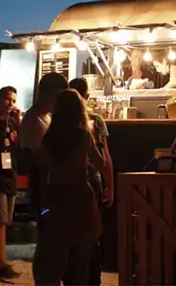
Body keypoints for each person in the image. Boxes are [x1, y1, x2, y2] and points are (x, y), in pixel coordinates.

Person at [35, 89, 106, 285]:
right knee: (81, 256)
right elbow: (101, 164)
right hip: (80, 195)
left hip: (56, 195)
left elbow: (44, 168)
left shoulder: (49, 139)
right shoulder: (83, 136)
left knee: (56, 253)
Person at [19, 73, 68, 284]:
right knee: (47, 239)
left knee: (52, 240)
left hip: (48, 190)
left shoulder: (45, 117)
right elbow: (42, 161)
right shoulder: (33, 121)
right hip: (43, 191)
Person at [68, 77, 114, 285]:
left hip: (66, 185)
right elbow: (104, 158)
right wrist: (110, 185)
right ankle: (91, 278)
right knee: (92, 233)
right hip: (89, 183)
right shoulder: (93, 121)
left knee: (71, 234)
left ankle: (75, 278)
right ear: (87, 96)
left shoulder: (55, 125)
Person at [0, 86, 23, 279]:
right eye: (8, 99)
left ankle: (0, 259)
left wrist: (19, 123)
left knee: (5, 221)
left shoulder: (13, 122)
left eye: (14, 100)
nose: (11, 104)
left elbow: (19, 146)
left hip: (10, 176)